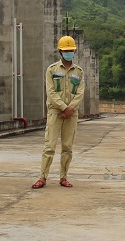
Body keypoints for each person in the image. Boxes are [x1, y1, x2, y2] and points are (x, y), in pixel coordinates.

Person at [32, 35, 85, 189]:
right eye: (66, 50)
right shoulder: (52, 70)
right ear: (60, 52)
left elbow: (80, 93)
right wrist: (63, 107)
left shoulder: (79, 72)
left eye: (71, 50)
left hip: (72, 113)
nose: (69, 53)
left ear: (74, 51)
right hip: (55, 111)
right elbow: (51, 91)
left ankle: (63, 177)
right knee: (49, 146)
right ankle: (42, 177)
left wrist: (70, 109)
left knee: (67, 147)